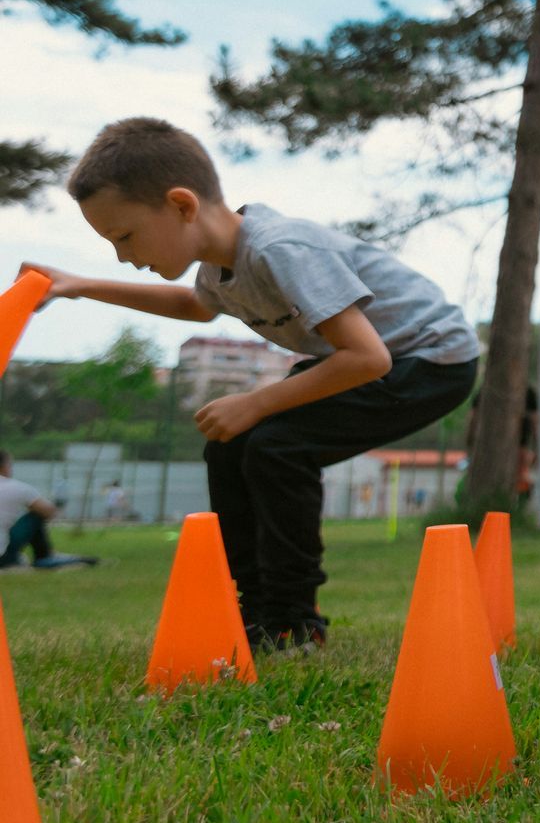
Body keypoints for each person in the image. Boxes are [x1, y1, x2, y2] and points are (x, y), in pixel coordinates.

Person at [27, 118, 479, 649]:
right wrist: (79, 286)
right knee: (232, 445)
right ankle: (254, 605)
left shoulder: (278, 249)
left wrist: (256, 402)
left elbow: (368, 357)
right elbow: (194, 307)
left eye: (125, 236)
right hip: (374, 357)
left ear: (181, 205)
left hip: (431, 359)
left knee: (278, 447)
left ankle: (292, 618)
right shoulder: (218, 267)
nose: (124, 255)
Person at [0, 451, 99, 572]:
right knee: (35, 516)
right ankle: (44, 557)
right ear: (4, 466)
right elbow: (50, 512)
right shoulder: (17, 487)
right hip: (3, 557)